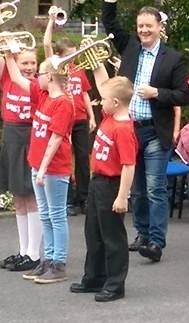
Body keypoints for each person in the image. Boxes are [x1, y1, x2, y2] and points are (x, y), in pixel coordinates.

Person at [102, 0, 189, 263]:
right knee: (137, 189)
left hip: (156, 130)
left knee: (154, 188)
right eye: (140, 25)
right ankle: (141, 234)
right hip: (130, 129)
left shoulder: (174, 58)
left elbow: (185, 95)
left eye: (149, 26)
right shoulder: (129, 46)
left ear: (159, 28)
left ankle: (156, 241)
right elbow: (109, 19)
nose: (144, 30)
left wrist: (157, 93)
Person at [6, 54, 74, 283]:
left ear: (52, 76)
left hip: (54, 167)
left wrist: (43, 168)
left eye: (41, 73)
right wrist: (8, 52)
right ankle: (49, 258)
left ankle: (59, 263)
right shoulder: (42, 94)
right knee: (45, 215)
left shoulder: (63, 103)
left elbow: (56, 139)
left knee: (56, 215)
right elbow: (15, 76)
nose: (37, 76)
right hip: (39, 164)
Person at [70, 75, 138, 303]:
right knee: (94, 234)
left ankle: (115, 284)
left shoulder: (124, 128)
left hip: (112, 185)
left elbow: (129, 165)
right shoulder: (109, 116)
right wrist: (97, 62)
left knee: (112, 237)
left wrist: (122, 196)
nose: (100, 102)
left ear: (116, 103)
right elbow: (103, 83)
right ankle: (94, 277)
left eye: (105, 99)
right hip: (97, 183)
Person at [0, 46, 43, 272]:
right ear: (15, 63)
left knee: (30, 196)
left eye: (33, 63)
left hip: (29, 137)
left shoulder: (38, 85)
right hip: (10, 137)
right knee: (18, 198)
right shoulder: (8, 78)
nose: (30, 67)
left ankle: (34, 253)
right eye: (25, 63)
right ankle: (23, 250)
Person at [43, 13, 96, 215]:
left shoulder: (79, 70)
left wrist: (92, 116)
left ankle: (84, 197)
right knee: (63, 158)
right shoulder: (55, 68)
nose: (73, 58)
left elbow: (84, 94)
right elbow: (47, 43)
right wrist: (50, 21)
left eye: (75, 54)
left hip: (80, 118)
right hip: (63, 118)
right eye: (70, 54)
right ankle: (68, 199)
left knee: (83, 157)